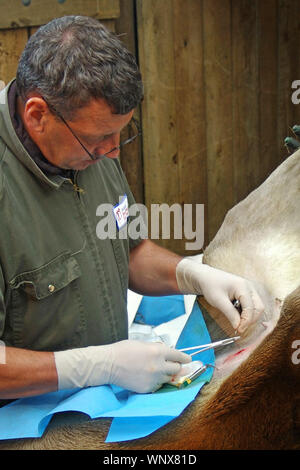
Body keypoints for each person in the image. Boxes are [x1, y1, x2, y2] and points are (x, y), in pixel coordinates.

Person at [0, 16, 264, 399]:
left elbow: (129, 250)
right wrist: (96, 366)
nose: (112, 151)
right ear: (37, 115)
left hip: (105, 405)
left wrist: (194, 275)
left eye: (121, 132)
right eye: (98, 139)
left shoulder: (89, 147)